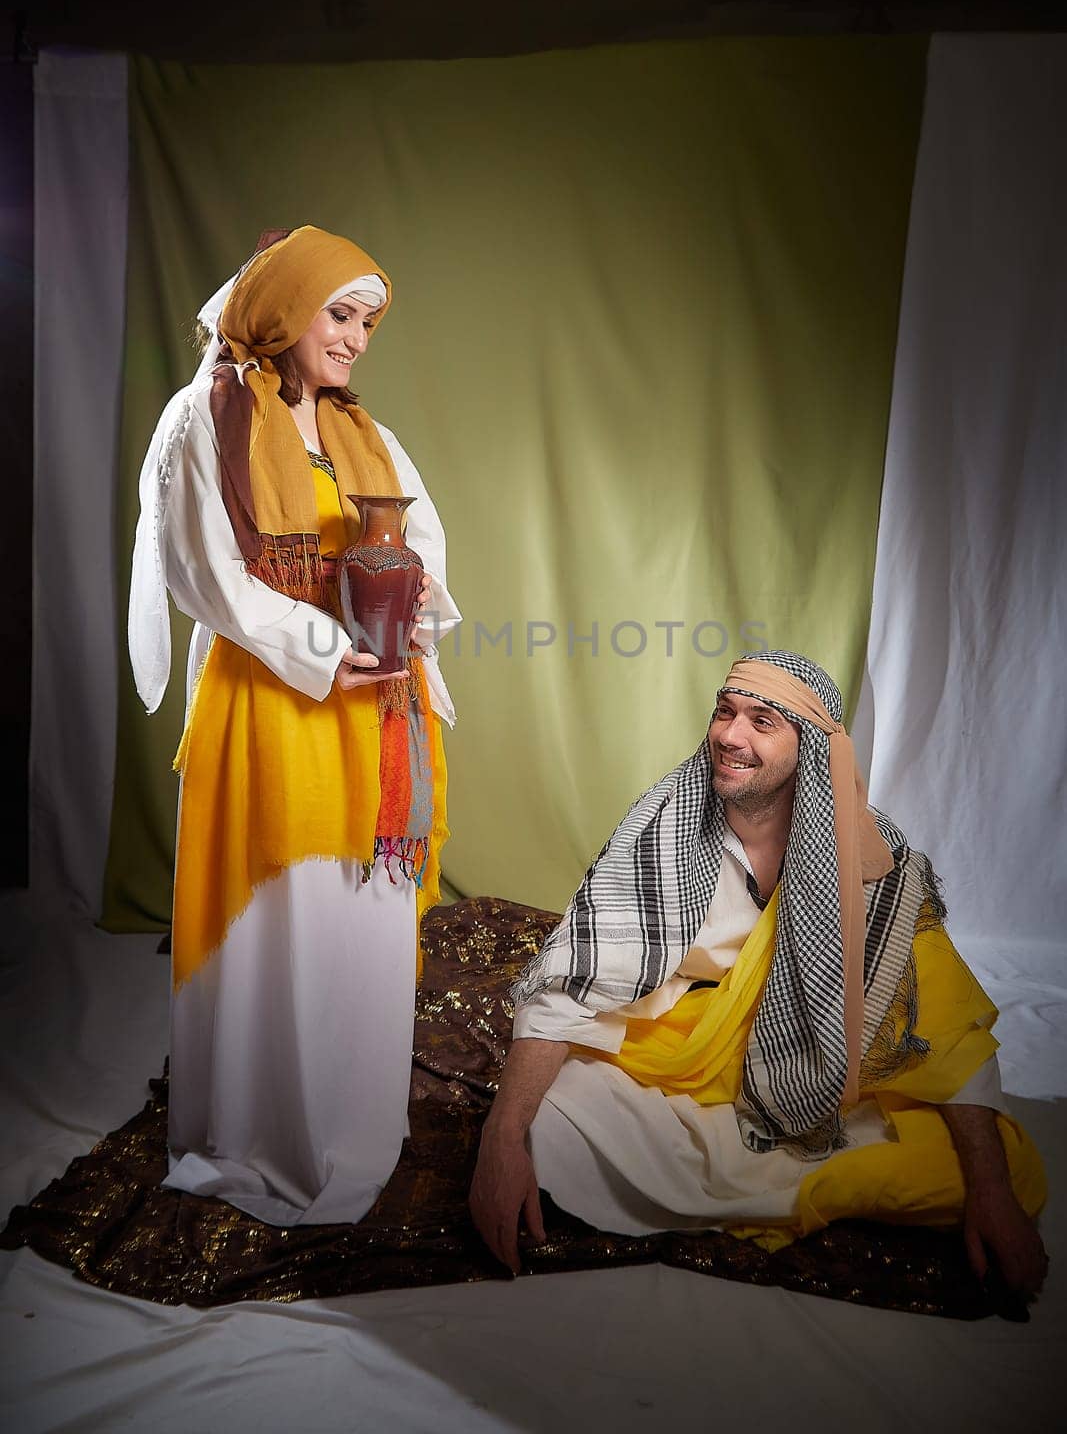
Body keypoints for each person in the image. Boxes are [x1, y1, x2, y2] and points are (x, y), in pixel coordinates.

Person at [470, 650, 1048, 1298]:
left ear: (808, 748)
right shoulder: (665, 827)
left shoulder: (870, 855)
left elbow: (940, 1026)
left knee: (1006, 1174)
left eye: (761, 721)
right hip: (685, 1046)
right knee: (549, 1124)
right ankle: (745, 1178)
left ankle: (752, 1180)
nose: (729, 735)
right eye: (725, 712)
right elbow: (575, 984)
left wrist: (990, 1192)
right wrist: (503, 1135)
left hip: (817, 1055)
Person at [128, 224, 460, 1226]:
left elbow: (423, 541)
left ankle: (355, 1123)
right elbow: (205, 574)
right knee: (279, 925)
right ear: (282, 308)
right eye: (338, 313)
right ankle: (262, 1130)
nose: (356, 339)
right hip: (273, 705)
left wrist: (412, 613)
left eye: (367, 320)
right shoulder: (206, 415)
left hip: (375, 705)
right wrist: (323, 650)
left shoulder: (366, 434)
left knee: (358, 920)